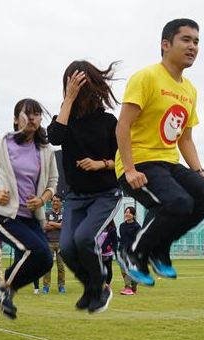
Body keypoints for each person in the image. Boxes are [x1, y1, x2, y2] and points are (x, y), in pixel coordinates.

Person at [115, 18, 204, 286]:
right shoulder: (147, 77)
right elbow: (122, 125)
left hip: (168, 162)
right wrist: (129, 169)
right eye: (186, 40)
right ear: (165, 44)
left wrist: (199, 171)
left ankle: (160, 248)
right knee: (178, 202)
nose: (193, 46)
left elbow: (185, 138)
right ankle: (132, 252)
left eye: (196, 42)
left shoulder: (189, 90)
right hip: (140, 161)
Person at [48, 60, 122, 312]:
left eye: (81, 83)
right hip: (75, 197)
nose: (77, 88)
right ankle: (96, 288)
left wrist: (100, 164)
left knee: (82, 238)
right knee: (67, 248)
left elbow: (124, 161)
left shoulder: (109, 121)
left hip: (106, 194)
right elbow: (54, 137)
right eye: (71, 83)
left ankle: (98, 286)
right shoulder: (65, 120)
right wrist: (67, 101)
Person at [0, 98, 58, 319]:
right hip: (4, 214)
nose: (32, 118)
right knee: (37, 250)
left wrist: (43, 199)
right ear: (16, 120)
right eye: (27, 114)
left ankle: (5, 288)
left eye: (36, 114)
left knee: (45, 260)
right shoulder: (2, 144)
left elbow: (53, 182)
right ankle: (3, 289)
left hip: (32, 216)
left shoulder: (45, 149)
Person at [41, 195, 65, 294]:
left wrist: (52, 223)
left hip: (61, 243)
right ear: (51, 202)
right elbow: (45, 226)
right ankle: (46, 286)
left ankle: (61, 286)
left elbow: (64, 225)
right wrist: (57, 225)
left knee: (61, 266)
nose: (55, 202)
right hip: (49, 242)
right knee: (47, 266)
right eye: (54, 201)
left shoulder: (64, 213)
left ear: (61, 202)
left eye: (57, 201)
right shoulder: (46, 213)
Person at [118, 206, 141, 295]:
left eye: (129, 212)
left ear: (133, 215)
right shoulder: (122, 226)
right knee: (123, 269)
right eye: (126, 212)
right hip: (122, 250)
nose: (127, 214)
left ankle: (131, 287)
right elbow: (123, 238)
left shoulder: (137, 226)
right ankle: (130, 287)